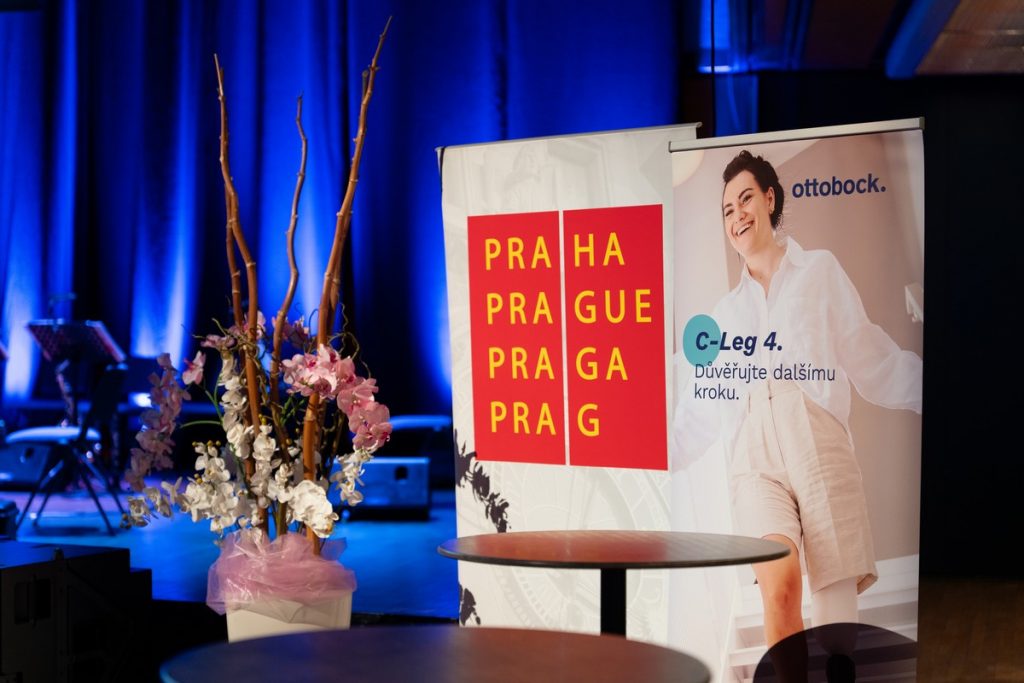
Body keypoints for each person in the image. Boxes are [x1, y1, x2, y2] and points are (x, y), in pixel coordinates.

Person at [672, 150, 922, 655]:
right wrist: (647, 455)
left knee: (833, 603)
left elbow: (869, 357)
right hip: (754, 457)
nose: (737, 215)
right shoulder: (723, 316)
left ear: (769, 199)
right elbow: (700, 413)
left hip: (818, 438)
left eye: (745, 199)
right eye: (727, 210)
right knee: (780, 585)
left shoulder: (819, 271)